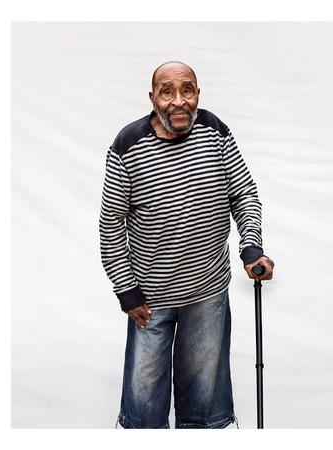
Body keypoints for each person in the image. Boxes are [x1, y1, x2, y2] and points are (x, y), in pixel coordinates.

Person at [99, 61, 274, 429]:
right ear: (152, 98)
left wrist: (251, 248)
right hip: (150, 299)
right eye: (168, 92)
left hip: (208, 293)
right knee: (144, 408)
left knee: (204, 406)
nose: (179, 101)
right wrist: (126, 290)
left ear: (197, 94)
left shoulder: (215, 132)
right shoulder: (127, 145)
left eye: (187, 90)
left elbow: (243, 194)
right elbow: (111, 225)